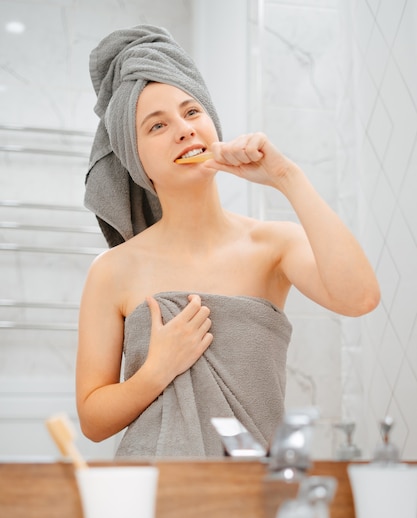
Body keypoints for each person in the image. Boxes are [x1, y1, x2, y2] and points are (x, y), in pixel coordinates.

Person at [76, 25, 380, 458]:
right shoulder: (112, 270)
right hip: (152, 493)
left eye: (192, 111)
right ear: (135, 158)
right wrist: (155, 372)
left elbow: (360, 297)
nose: (183, 129)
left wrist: (287, 178)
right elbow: (92, 419)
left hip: (255, 494)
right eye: (157, 125)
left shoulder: (272, 244)